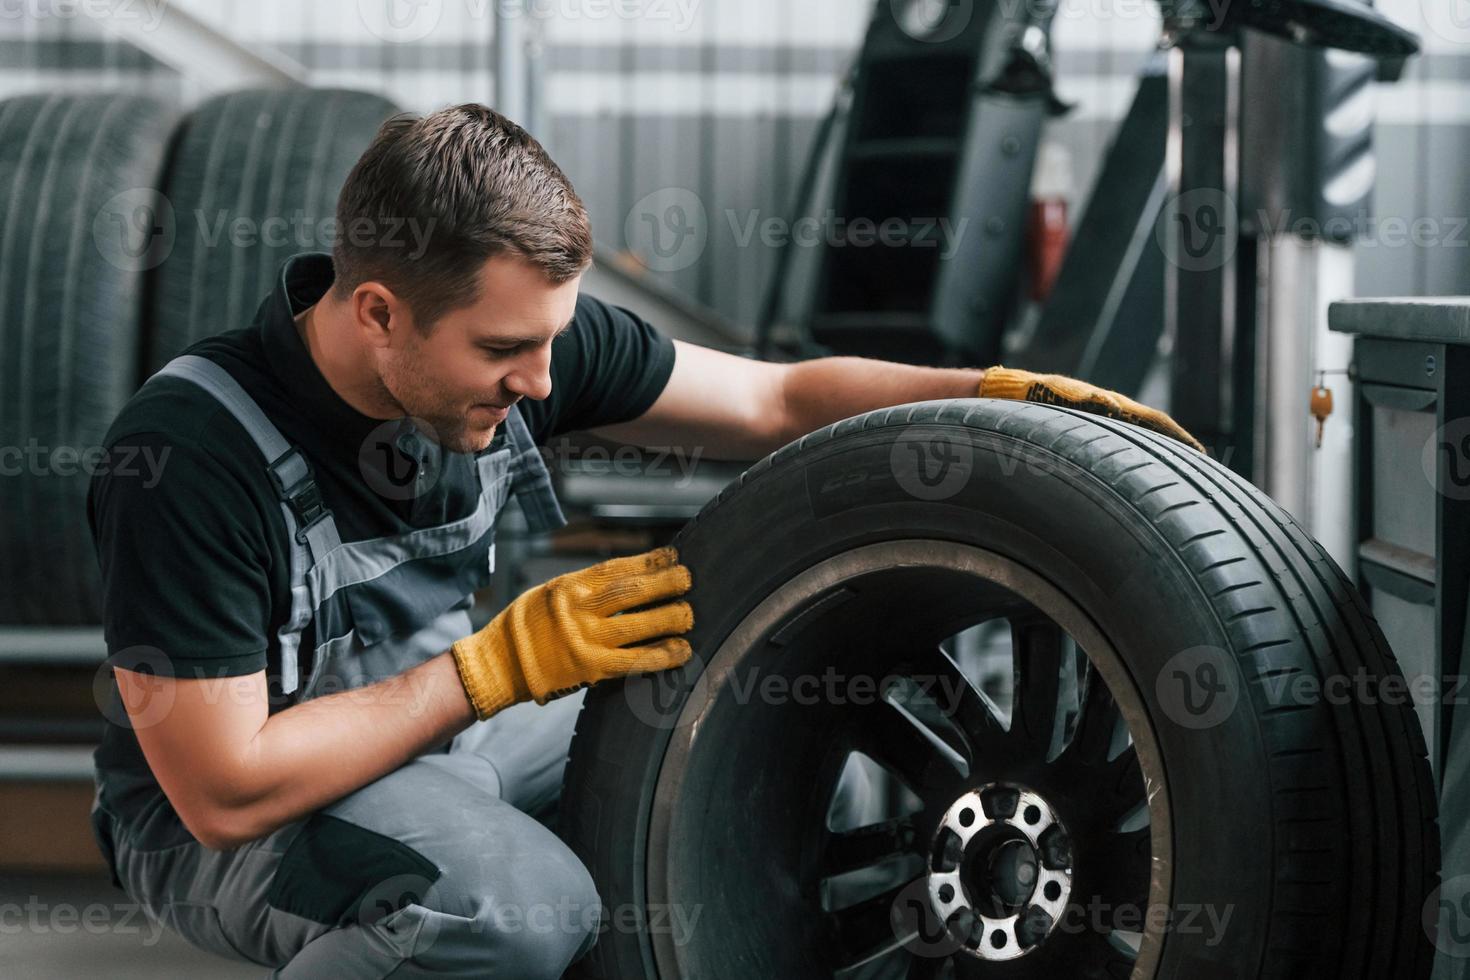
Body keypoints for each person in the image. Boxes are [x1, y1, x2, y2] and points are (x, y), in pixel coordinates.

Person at [85, 102, 1201, 978]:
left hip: (433, 743)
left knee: (770, 717)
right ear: (377, 312)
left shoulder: (521, 338)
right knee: (518, 908)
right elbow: (222, 787)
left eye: (553, 343)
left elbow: (777, 402)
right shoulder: (194, 454)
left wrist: (994, 395)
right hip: (228, 820)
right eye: (505, 351)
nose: (539, 382)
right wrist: (495, 667)